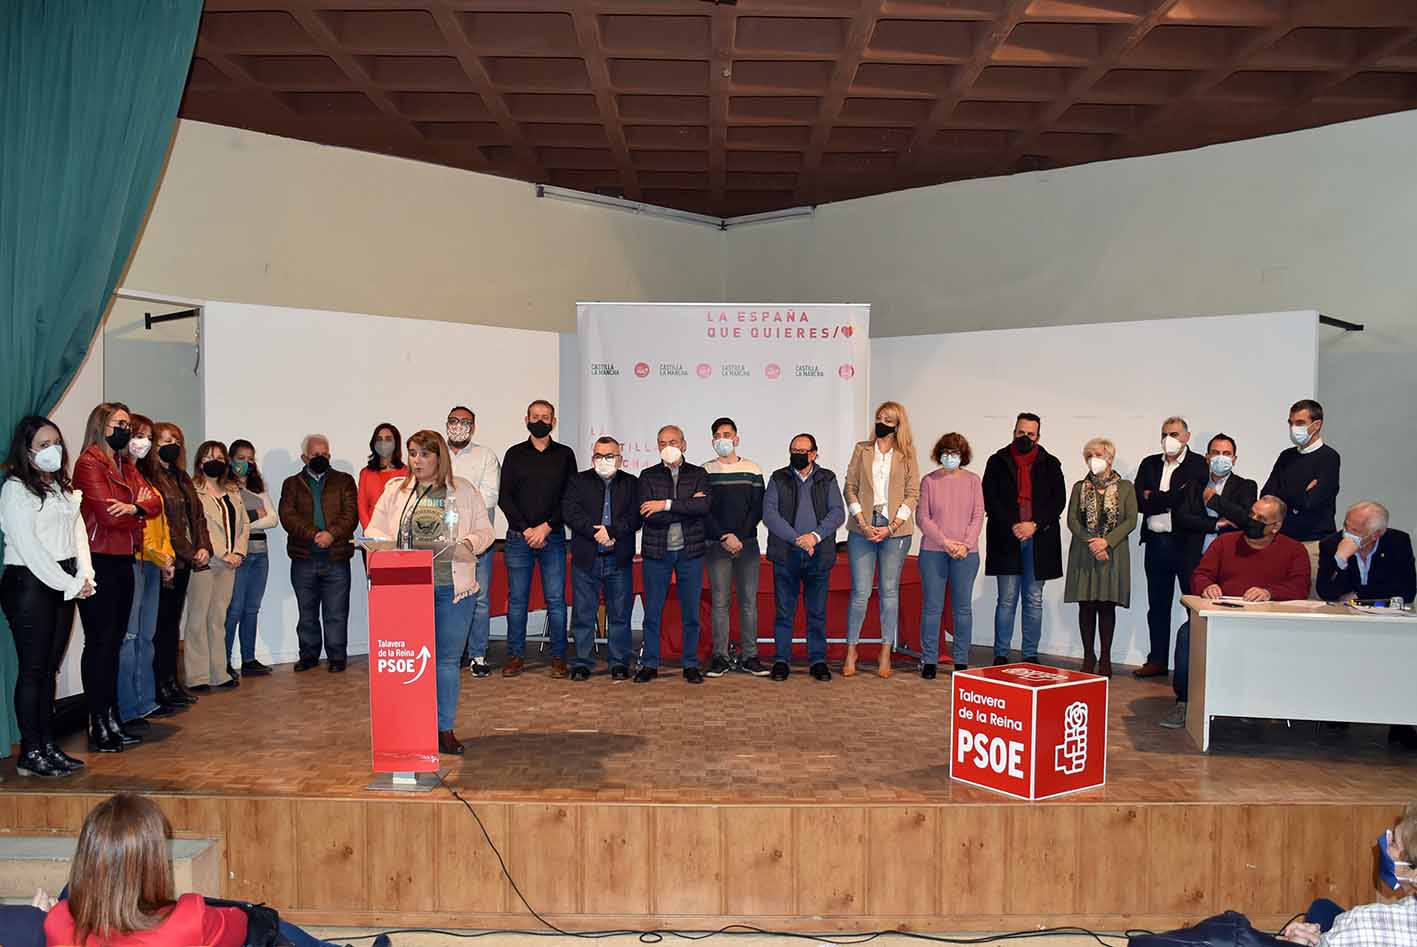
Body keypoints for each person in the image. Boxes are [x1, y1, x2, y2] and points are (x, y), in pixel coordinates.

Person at [43, 793, 374, 947]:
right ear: (151, 863)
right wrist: (195, 904)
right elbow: (245, 925)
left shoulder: (57, 921)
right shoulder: (188, 919)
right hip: (221, 927)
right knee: (268, 925)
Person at [366, 431, 493, 755]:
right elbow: (375, 529)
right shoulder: (397, 490)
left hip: (451, 588)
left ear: (439, 457)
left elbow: (485, 532)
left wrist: (467, 544)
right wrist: (383, 545)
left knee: (447, 661)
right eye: (412, 454)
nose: (417, 461)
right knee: (409, 663)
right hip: (407, 588)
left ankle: (444, 729)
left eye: (424, 454)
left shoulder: (462, 490)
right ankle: (411, 727)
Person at [1160, 496, 1311, 729]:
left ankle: (1254, 705)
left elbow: (1300, 587)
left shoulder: (1294, 550)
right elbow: (1200, 575)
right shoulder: (1224, 543)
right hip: (1221, 618)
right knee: (1187, 634)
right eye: (1252, 514)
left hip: (1266, 623)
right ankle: (1185, 702)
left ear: (1276, 526)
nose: (1252, 520)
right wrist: (1207, 586)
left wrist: (1269, 592)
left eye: (1261, 519)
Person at [0, 416, 95, 776]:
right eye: (43, 444)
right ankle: (31, 750)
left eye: (56, 441)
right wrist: (68, 583)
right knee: (33, 670)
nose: (52, 449)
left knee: (49, 670)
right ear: (26, 450)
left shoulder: (58, 487)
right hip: (29, 584)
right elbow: (30, 548)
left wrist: (84, 574)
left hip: (60, 580)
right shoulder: (15, 489)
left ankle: (48, 745)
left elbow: (78, 534)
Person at [73, 402, 162, 753]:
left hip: (125, 558)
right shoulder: (88, 463)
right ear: (101, 425)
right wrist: (133, 511)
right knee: (100, 644)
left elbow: (153, 502)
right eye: (118, 423)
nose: (124, 429)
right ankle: (98, 722)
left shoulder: (126, 465)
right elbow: (107, 515)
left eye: (127, 423)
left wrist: (135, 508)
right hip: (98, 561)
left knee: (113, 645)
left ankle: (112, 718)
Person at [498, 400, 576, 678]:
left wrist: (546, 527)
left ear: (553, 422)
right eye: (535, 416)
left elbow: (570, 497)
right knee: (517, 600)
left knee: (556, 599)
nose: (540, 420)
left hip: (553, 537)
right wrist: (527, 529)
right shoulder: (514, 454)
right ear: (526, 419)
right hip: (519, 538)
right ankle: (515, 656)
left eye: (545, 417)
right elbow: (504, 497)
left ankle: (559, 657)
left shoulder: (565, 455)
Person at [981, 413, 1066, 665]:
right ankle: (1001, 653)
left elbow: (1057, 501)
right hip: (1006, 538)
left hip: (1040, 540)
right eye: (1021, 432)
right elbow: (990, 497)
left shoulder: (1051, 463)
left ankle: (1030, 654)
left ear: (1038, 436)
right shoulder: (997, 461)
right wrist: (1014, 525)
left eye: (1030, 434)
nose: (1025, 437)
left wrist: (1034, 525)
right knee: (1006, 600)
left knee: (1034, 599)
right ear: (1013, 432)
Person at [843, 401, 920, 679]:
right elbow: (849, 487)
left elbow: (913, 493)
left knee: (889, 592)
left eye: (888, 419)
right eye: (879, 417)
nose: (882, 422)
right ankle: (852, 650)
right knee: (860, 593)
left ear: (898, 424)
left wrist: (892, 526)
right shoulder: (862, 449)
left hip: (895, 531)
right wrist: (862, 522)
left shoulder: (907, 454)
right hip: (862, 527)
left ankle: (885, 651)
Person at [762, 434, 845, 682]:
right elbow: (770, 514)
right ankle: (781, 660)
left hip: (819, 555)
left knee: (817, 611)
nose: (797, 453)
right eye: (793, 449)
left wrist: (815, 537)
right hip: (786, 554)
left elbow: (837, 513)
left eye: (803, 450)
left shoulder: (826, 477)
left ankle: (818, 660)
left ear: (814, 454)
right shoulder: (778, 477)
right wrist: (799, 539)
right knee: (784, 611)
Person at [1132, 417, 1209, 679]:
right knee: (1158, 604)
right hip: (1156, 543)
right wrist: (1163, 499)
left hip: (1185, 543)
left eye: (1175, 433)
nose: (1169, 439)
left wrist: (1156, 497)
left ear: (1187, 436)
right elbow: (1139, 502)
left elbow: (1187, 499)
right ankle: (1157, 660)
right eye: (1164, 434)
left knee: (1193, 603)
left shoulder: (1198, 464)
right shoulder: (1149, 463)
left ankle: (1195, 664)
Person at [1279, 803, 1417, 945]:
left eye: (1393, 843)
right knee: (1322, 908)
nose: (1385, 843)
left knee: (1319, 913)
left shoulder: (1363, 922)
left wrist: (1303, 941)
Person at [562, 437, 641, 682]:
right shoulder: (578, 481)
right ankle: (582, 663)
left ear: (620, 458)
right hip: (587, 556)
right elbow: (570, 512)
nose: (604, 460)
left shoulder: (632, 483)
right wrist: (596, 532)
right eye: (599, 455)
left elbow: (636, 516)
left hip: (619, 557)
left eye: (610, 456)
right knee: (584, 614)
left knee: (620, 614)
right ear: (592, 457)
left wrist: (613, 532)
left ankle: (619, 662)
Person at [637, 424, 712, 684]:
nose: (667, 446)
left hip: (690, 552)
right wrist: (685, 506)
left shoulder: (699, 474)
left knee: (691, 612)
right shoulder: (647, 476)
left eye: (673, 441)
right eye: (661, 442)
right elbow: (648, 516)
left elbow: (702, 508)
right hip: (657, 552)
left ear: (684, 444)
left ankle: (690, 664)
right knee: (653, 612)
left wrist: (665, 504)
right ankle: (650, 664)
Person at [278, 434, 357, 673]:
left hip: (337, 557)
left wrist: (331, 534)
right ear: (304, 457)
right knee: (307, 613)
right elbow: (287, 516)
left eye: (325, 454)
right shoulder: (291, 484)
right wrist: (315, 534)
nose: (321, 458)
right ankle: (309, 655)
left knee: (336, 612)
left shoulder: (344, 481)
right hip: (304, 558)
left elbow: (351, 514)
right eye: (315, 455)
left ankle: (336, 657)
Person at [147, 423, 211, 709]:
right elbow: (166, 524)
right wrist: (187, 551)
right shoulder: (150, 477)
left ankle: (172, 681)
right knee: (160, 626)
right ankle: (159, 685)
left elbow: (197, 517)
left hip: (185, 560)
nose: (170, 444)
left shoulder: (182, 477)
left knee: (172, 625)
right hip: (166, 560)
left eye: (176, 440)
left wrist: (203, 547)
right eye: (163, 440)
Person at [1063, 438, 1138, 678]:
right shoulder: (1079, 487)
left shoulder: (1126, 487)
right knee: (1086, 605)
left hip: (1112, 553)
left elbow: (1131, 520)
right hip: (1084, 553)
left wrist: (1106, 541)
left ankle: (1105, 657)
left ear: (1110, 457)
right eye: (1089, 455)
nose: (1094, 459)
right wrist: (1092, 542)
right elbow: (1072, 520)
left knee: (1106, 606)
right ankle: (1088, 655)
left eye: (1098, 454)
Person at [117, 416, 173, 728]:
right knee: (129, 637)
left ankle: (144, 701)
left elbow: (157, 518)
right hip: (135, 559)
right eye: (138, 435)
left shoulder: (145, 476)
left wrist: (167, 556)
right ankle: (127, 708)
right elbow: (136, 521)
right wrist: (157, 554)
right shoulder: (119, 474)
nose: (144, 442)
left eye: (148, 437)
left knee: (145, 637)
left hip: (154, 562)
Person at [183, 442, 249, 693]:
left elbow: (243, 525)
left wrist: (238, 552)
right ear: (200, 461)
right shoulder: (192, 488)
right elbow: (196, 527)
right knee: (198, 619)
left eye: (220, 457)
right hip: (206, 562)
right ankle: (197, 675)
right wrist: (222, 553)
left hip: (230, 563)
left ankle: (218, 672)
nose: (215, 461)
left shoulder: (232, 490)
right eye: (210, 457)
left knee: (218, 619)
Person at [916, 433, 983, 678]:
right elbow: (923, 518)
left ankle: (962, 661)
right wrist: (945, 543)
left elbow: (978, 516)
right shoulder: (929, 481)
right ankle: (929, 659)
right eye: (946, 452)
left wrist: (965, 545)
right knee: (932, 607)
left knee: (962, 608)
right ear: (939, 454)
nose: (950, 457)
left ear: (962, 456)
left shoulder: (973, 481)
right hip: (934, 552)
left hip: (967, 553)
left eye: (955, 453)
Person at [703, 417, 766, 677]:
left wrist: (739, 536)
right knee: (720, 602)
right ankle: (720, 656)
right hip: (716, 545)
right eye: (717, 435)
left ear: (736, 439)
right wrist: (724, 536)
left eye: (726, 434)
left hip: (748, 544)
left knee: (749, 602)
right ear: (712, 440)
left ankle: (750, 655)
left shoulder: (753, 469)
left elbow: (757, 508)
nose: (722, 439)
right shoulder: (704, 470)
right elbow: (704, 510)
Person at [1263, 399, 1341, 597]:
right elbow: (1267, 495)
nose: (1293, 428)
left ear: (1317, 425)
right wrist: (1301, 491)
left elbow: (1311, 502)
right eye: (1290, 423)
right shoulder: (1286, 456)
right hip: (1282, 542)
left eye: (1299, 423)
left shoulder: (1329, 457)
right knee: (1280, 600)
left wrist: (1286, 493)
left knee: (1312, 603)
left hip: (1313, 544)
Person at [446, 406, 501, 677]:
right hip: (440, 543)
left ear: (473, 427)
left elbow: (489, 498)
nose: (459, 426)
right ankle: (449, 653)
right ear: (447, 424)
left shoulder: (486, 456)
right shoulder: (436, 455)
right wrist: (470, 493)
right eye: (454, 421)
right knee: (445, 597)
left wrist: (456, 498)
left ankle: (478, 655)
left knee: (478, 598)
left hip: (477, 541)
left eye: (465, 422)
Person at [222, 440, 276, 678]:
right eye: (241, 457)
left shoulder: (258, 488)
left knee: (251, 609)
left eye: (250, 458)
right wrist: (255, 516)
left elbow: (273, 520)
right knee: (234, 610)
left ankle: (249, 659)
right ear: (231, 459)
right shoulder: (225, 488)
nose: (246, 462)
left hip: (260, 554)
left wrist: (246, 521)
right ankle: (223, 661)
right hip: (239, 555)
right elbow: (233, 524)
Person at [1171, 433, 1259, 568]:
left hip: (1230, 561)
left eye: (1226, 453)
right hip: (1194, 560)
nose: (1221, 457)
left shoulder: (1246, 486)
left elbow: (1244, 518)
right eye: (1216, 453)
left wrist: (1214, 500)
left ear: (1234, 459)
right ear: (1207, 458)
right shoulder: (1194, 485)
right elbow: (1182, 517)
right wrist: (1216, 524)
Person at [1316, 501, 1415, 604]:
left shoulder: (1398, 543)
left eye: (1355, 530)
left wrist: (1359, 596)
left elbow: (1407, 592)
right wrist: (1341, 563)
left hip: (1387, 615)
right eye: (1346, 526)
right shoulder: (1331, 544)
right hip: (1347, 614)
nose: (1347, 534)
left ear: (1375, 535)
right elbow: (1326, 593)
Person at [356, 423, 406, 532]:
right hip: (372, 535)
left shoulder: (407, 472)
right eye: (379, 439)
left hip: (399, 535)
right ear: (373, 444)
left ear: (396, 443)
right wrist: (370, 532)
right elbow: (362, 506)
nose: (383, 443)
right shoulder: (366, 473)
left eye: (388, 439)